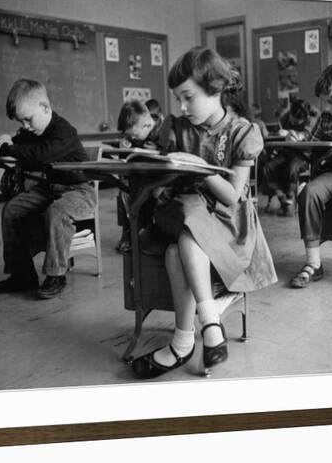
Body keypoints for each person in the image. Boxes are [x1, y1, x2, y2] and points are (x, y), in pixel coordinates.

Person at [131, 47, 278, 379]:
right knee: (187, 214)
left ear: (215, 89)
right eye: (178, 99)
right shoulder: (177, 127)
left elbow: (231, 196)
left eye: (188, 97)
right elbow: (163, 180)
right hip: (182, 212)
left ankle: (182, 344)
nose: (182, 107)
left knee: (176, 250)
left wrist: (201, 168)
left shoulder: (243, 132)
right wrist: (158, 182)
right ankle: (210, 322)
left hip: (228, 224)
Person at [0, 79, 96, 299]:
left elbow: (40, 154)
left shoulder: (64, 131)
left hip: (79, 191)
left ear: (45, 108)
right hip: (50, 189)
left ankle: (57, 274)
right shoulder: (33, 131)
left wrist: (10, 147)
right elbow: (20, 142)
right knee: (12, 209)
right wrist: (8, 140)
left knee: (57, 211)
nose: (26, 126)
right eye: (21, 122)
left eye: (28, 119)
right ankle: (22, 275)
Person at [290, 63, 332, 288]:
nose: (324, 107)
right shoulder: (326, 117)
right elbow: (311, 141)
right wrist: (297, 138)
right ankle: (313, 263)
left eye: (329, 101)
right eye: (322, 100)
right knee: (309, 192)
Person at [115, 100, 174, 252]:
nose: (133, 138)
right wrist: (129, 145)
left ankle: (139, 232)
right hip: (145, 179)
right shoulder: (143, 131)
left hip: (167, 182)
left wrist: (161, 149)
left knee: (146, 196)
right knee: (128, 193)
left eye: (134, 135)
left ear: (147, 125)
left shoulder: (166, 128)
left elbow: (174, 155)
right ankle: (133, 232)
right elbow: (137, 141)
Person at [262, 98, 318, 215]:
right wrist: (280, 133)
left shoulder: (311, 119)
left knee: (292, 168)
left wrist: (292, 133)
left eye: (298, 121)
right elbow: (279, 134)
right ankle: (282, 197)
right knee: (268, 168)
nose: (293, 122)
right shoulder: (284, 117)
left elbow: (306, 135)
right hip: (286, 152)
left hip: (303, 155)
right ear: (290, 113)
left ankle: (289, 196)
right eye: (293, 118)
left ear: (305, 118)